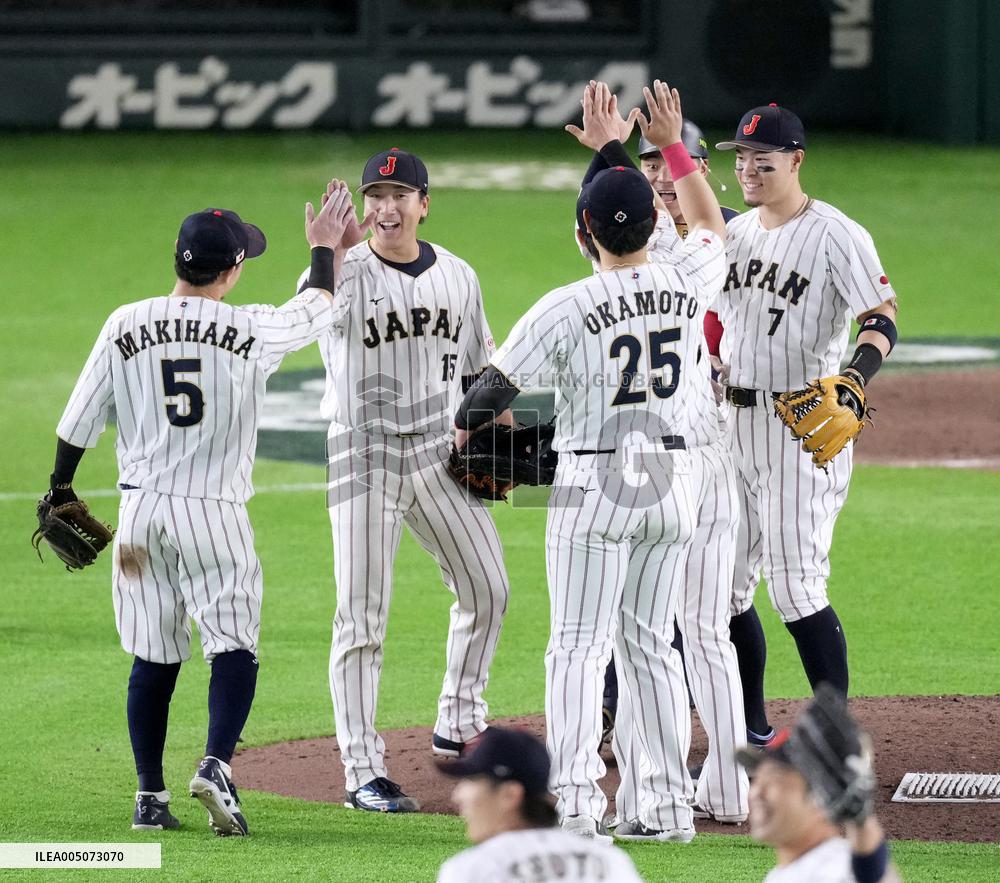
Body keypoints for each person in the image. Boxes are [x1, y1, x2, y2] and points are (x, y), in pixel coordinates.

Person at [455, 80, 727, 843]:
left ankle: (575, 803)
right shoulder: (686, 276)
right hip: (676, 485)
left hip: (594, 484)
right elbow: (709, 220)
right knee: (652, 646)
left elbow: (487, 397)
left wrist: (462, 432)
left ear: (585, 229)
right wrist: (666, 146)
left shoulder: (563, 305)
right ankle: (669, 807)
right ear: (654, 221)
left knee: (578, 645)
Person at [46, 184, 357, 835]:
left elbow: (76, 422)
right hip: (214, 516)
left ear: (178, 261)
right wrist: (325, 249)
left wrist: (59, 488)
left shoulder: (125, 322)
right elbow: (318, 305)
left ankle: (149, 796)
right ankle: (215, 763)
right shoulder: (252, 329)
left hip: (139, 520)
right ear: (234, 268)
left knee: (153, 655)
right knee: (234, 644)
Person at [565, 84, 750, 826]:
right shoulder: (696, 258)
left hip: (651, 464)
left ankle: (648, 797)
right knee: (690, 633)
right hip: (705, 454)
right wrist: (659, 148)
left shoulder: (631, 263)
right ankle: (707, 791)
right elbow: (706, 218)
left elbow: (611, 214)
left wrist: (611, 150)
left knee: (644, 633)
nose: (658, 182)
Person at [305, 148, 510, 813]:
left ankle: (457, 717)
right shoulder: (347, 274)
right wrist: (325, 259)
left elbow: (481, 366)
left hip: (435, 453)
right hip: (361, 455)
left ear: (425, 203)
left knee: (489, 586)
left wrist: (500, 432)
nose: (385, 207)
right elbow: (309, 318)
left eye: (399, 195)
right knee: (362, 615)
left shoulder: (458, 276)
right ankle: (361, 770)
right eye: (375, 195)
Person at [712, 105, 899, 737]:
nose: (748, 171)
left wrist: (854, 377)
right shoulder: (735, 234)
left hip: (801, 423)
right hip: (730, 427)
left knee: (795, 588)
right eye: (740, 159)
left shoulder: (836, 234)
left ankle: (833, 741)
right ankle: (749, 729)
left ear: (796, 160)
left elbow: (881, 314)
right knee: (723, 589)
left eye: (762, 161)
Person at [437, 727, 644, 883]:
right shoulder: (612, 863)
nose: (457, 796)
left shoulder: (470, 871)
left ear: (510, 795)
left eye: (471, 782)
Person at [739, 688, 901, 882]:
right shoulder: (789, 873)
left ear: (820, 798)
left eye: (776, 782)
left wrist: (862, 825)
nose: (756, 792)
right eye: (757, 780)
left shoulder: (831, 871)